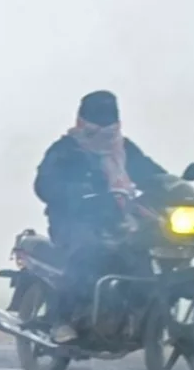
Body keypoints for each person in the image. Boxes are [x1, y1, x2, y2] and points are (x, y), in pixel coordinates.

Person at [34, 90, 167, 343]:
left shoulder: (125, 150)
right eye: (98, 126)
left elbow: (152, 174)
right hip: (73, 221)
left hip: (120, 220)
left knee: (149, 248)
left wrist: (177, 189)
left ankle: (140, 314)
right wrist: (75, 193)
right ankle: (61, 320)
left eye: (110, 126)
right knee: (88, 251)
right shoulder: (66, 150)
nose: (105, 134)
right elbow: (44, 184)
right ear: (82, 123)